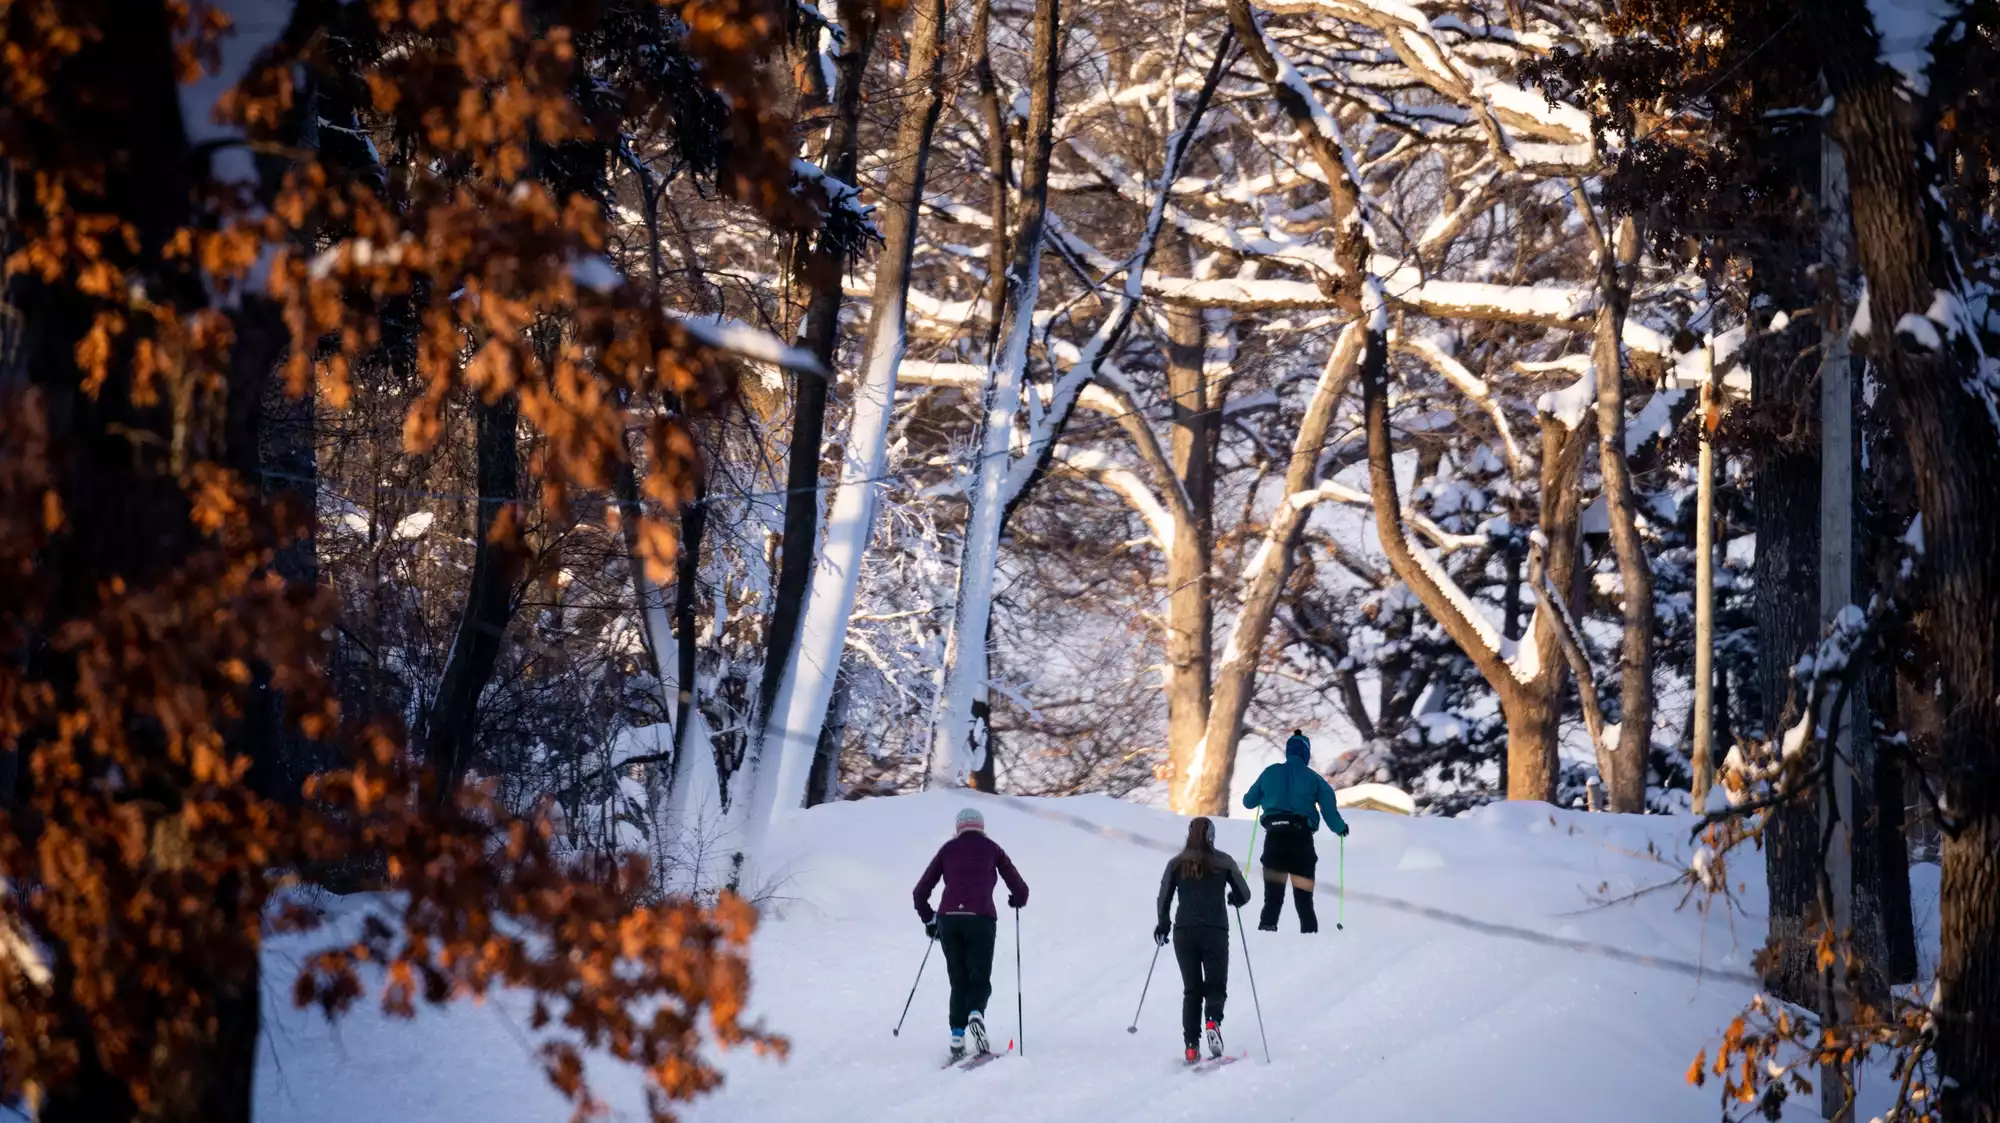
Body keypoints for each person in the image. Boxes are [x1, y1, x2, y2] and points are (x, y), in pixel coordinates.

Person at [912, 806, 1029, 1061]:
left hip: (948, 920)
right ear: (981, 827)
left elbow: (919, 893)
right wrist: (1017, 898)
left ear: (958, 828)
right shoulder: (992, 848)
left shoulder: (947, 850)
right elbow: (1020, 887)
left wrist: (929, 919)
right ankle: (976, 1012)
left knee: (958, 978)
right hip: (981, 919)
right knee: (979, 975)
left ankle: (957, 1034)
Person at [1154, 816, 1251, 1063]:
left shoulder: (1175, 863)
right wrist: (1234, 899)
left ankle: (1191, 1046)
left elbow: (1164, 896)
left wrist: (1163, 924)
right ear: (1212, 837)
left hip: (1183, 932)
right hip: (1215, 931)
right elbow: (1244, 893)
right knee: (1215, 984)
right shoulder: (1224, 861)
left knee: (1192, 989)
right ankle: (1212, 1021)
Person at [1241, 729, 1349, 933]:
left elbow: (1248, 802)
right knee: (1304, 900)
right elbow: (1329, 811)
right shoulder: (1314, 779)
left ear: (1288, 752)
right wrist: (1340, 829)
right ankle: (1309, 940)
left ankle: (1266, 937)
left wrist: (1268, 795)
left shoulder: (1270, 773)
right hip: (1302, 841)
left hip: (1274, 840)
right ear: (1306, 753)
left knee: (1272, 898)